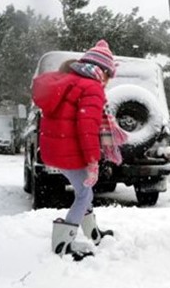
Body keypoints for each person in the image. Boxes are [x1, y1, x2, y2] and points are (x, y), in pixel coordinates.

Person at [32, 40, 126, 261]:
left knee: (85, 192)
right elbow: (87, 128)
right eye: (109, 76)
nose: (107, 82)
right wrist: (93, 161)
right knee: (84, 194)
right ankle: (62, 243)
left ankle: (92, 233)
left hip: (56, 149)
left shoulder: (70, 80)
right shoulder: (91, 87)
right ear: (102, 71)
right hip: (69, 150)